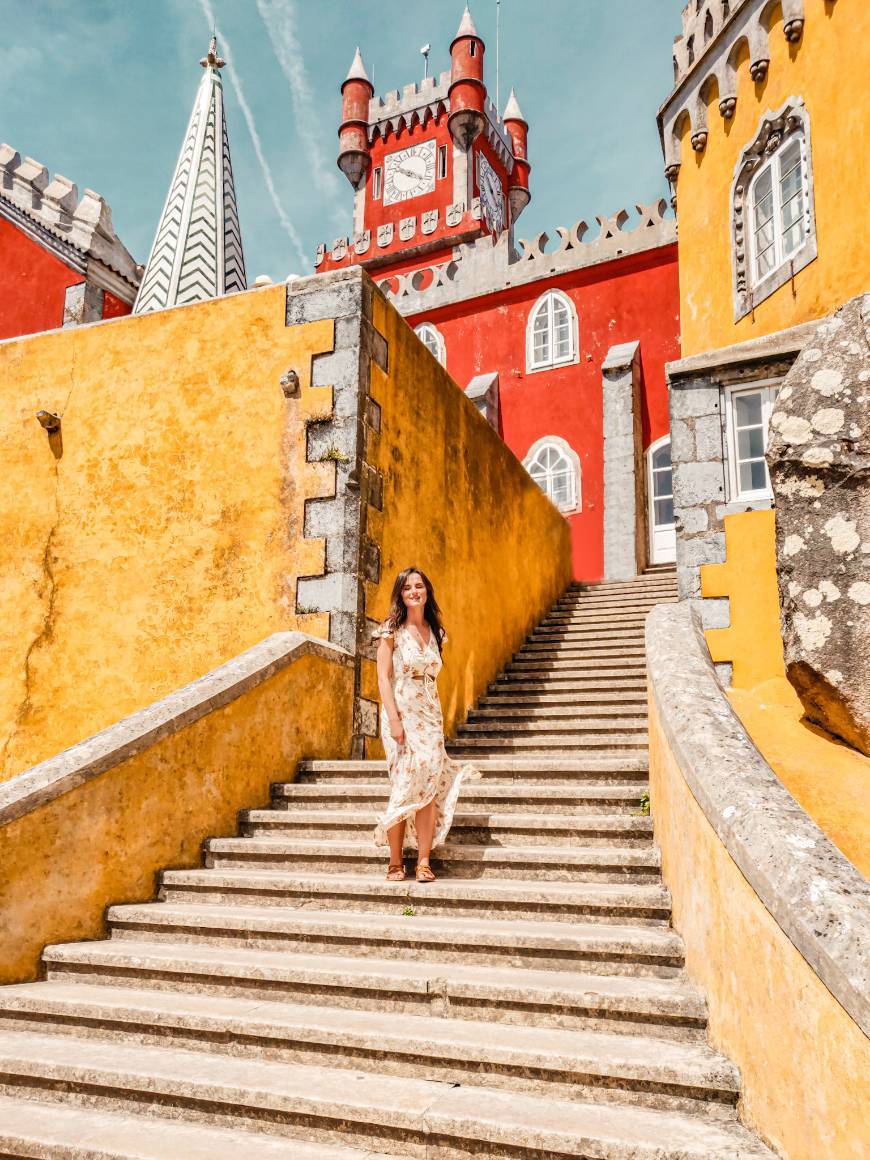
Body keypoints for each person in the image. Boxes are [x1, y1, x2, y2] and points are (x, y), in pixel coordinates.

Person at [372, 567, 479, 882]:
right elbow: (382, 677)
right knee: (405, 782)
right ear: (401, 595)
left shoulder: (437, 632)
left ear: (427, 591)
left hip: (430, 716)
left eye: (419, 586)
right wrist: (393, 719)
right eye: (407, 588)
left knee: (429, 785)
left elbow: (433, 681)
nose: (414, 592)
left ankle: (422, 861)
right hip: (400, 712)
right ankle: (394, 862)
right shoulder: (390, 630)